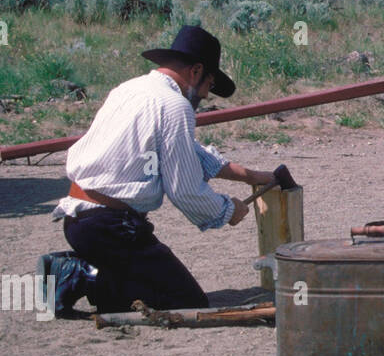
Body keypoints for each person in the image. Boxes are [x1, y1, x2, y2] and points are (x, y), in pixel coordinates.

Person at [40, 25, 276, 315]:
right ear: (196, 71)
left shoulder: (129, 89)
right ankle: (78, 274)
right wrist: (228, 210)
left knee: (142, 295)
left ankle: (89, 273)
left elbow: (189, 152)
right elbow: (185, 191)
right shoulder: (175, 106)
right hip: (112, 229)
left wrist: (251, 176)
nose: (206, 94)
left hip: (80, 221)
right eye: (209, 84)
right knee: (185, 302)